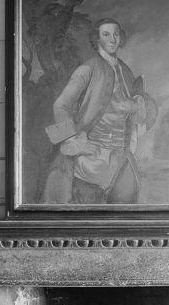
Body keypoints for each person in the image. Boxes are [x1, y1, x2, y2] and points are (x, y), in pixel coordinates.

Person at [42, 18, 156, 204]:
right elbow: (60, 105)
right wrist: (75, 142)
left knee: (125, 216)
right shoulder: (87, 69)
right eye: (106, 34)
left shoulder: (126, 72)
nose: (113, 39)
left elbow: (138, 110)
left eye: (116, 34)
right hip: (90, 158)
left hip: (121, 156)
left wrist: (137, 106)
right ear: (97, 39)